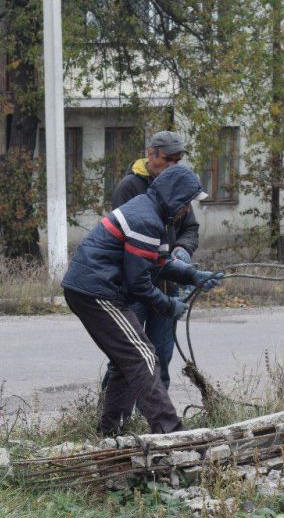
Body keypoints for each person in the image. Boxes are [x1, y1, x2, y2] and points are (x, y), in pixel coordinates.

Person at [62, 165, 222, 436]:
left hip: (93, 289)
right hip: (96, 291)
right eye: (186, 203)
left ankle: (110, 431)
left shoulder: (154, 215)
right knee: (144, 355)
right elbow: (138, 282)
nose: (187, 210)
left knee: (126, 362)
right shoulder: (146, 220)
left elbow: (158, 263)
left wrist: (192, 275)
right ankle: (170, 430)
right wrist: (168, 305)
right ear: (174, 196)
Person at [101, 130, 201, 392]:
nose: (172, 165)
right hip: (134, 288)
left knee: (162, 356)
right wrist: (164, 260)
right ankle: (109, 413)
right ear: (150, 154)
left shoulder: (178, 185)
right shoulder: (129, 187)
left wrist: (182, 250)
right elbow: (123, 242)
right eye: (167, 159)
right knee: (127, 358)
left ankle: (156, 414)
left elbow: (190, 228)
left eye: (177, 161)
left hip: (167, 286)